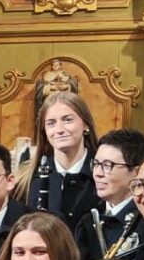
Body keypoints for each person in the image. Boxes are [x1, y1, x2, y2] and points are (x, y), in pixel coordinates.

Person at [77, 126, 144, 260]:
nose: (97, 173)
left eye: (107, 165)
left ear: (137, 172)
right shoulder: (89, 219)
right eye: (96, 164)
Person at [24, 91, 98, 225]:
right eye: (51, 123)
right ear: (44, 131)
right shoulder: (27, 181)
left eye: (68, 120)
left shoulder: (103, 175)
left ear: (86, 124)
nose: (59, 129)